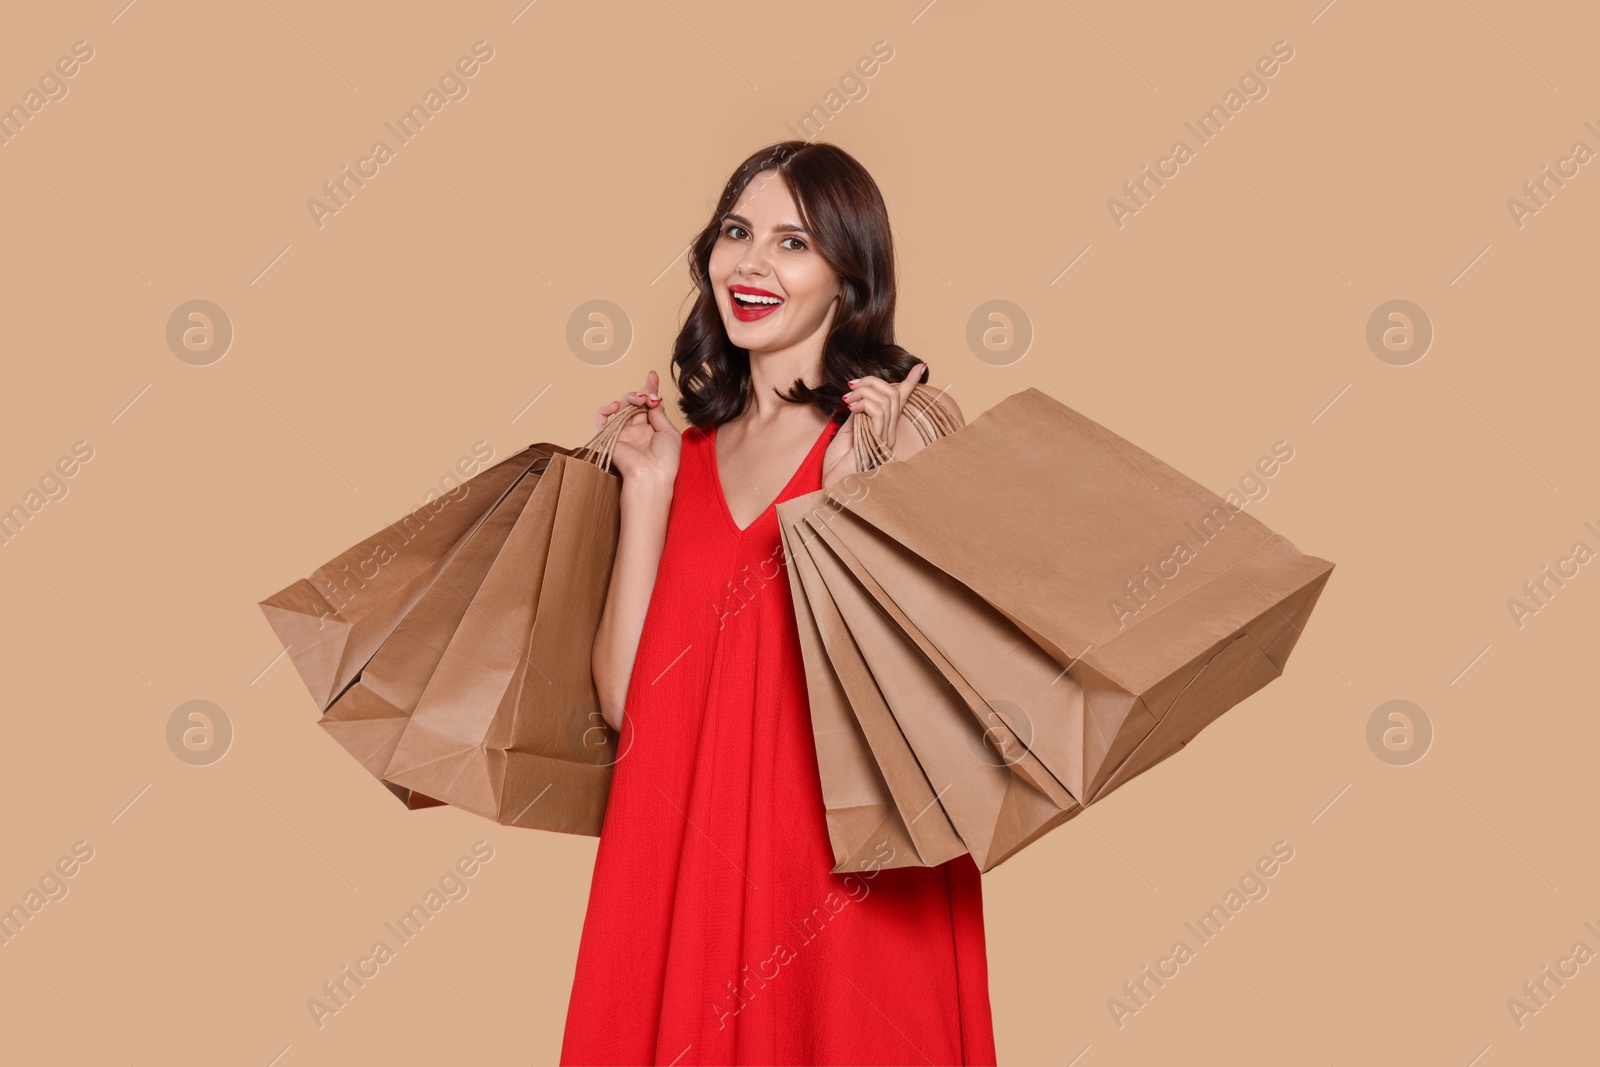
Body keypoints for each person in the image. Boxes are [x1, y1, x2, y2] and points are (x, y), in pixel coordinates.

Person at [561, 141, 995, 1066]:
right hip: (691, 872)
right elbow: (626, 706)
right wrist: (644, 492)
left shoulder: (895, 438)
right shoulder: (682, 458)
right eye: (737, 232)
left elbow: (926, 692)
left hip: (842, 881)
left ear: (849, 277)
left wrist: (862, 494)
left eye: (792, 242)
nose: (752, 263)